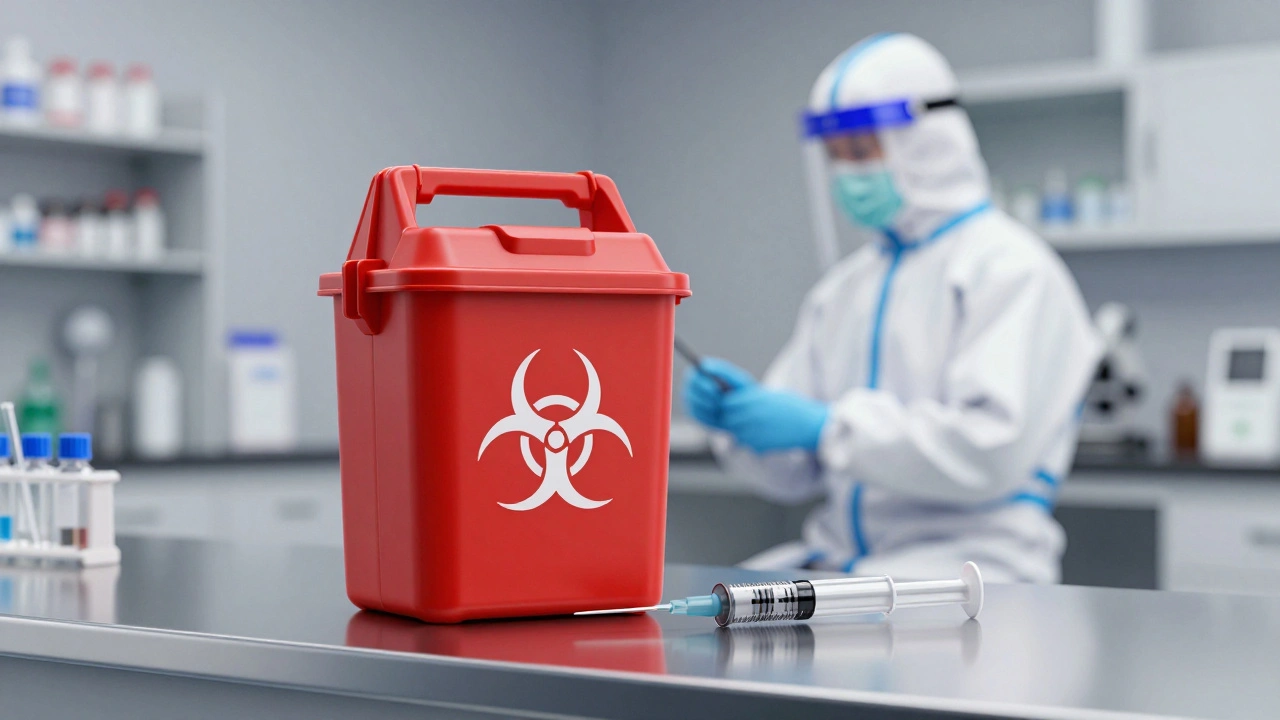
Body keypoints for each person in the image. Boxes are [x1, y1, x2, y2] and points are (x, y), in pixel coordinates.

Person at [683, 33, 1102, 583]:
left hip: (970, 575)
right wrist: (740, 424)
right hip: (842, 565)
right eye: (836, 156)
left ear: (928, 141)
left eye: (863, 150)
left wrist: (827, 428)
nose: (849, 174)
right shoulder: (846, 289)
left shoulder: (1011, 269)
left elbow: (987, 452)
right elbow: (794, 474)